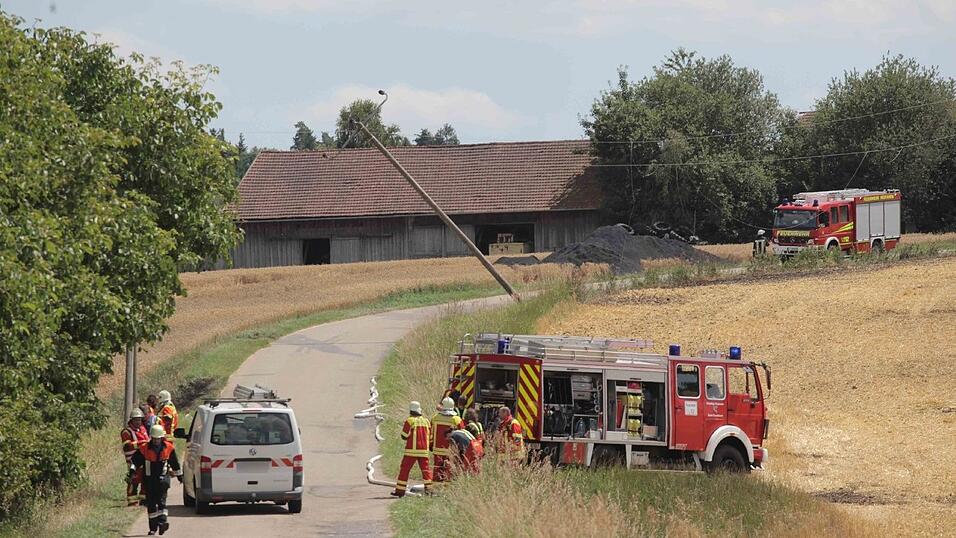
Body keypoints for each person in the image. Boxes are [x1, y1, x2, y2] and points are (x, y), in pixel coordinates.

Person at [130, 424, 182, 536]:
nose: (156, 441)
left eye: (158, 439)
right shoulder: (144, 448)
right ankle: (153, 528)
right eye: (154, 438)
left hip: (163, 480)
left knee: (162, 502)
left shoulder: (169, 448)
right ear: (151, 438)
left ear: (161, 438)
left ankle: (162, 523)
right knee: (152, 504)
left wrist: (179, 476)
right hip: (149, 481)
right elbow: (135, 461)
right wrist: (132, 470)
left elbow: (175, 463)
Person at [392, 401, 432, 498]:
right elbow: (430, 436)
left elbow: (404, 436)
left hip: (411, 452)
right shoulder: (426, 421)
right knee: (426, 471)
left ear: (411, 411)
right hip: (424, 451)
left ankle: (400, 491)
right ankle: (429, 490)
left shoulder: (410, 421)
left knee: (405, 470)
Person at [430, 396, 464, 482]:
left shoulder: (435, 418)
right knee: (448, 471)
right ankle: (446, 486)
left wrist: (430, 444)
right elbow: (462, 434)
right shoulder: (457, 419)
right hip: (450, 450)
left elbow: (430, 433)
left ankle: (435, 486)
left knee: (437, 471)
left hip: (437, 449)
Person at [121, 408, 150, 506]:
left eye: (139, 419)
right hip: (133, 460)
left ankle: (143, 500)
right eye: (136, 420)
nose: (138, 422)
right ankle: (132, 501)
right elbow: (127, 446)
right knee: (134, 480)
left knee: (145, 478)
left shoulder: (143, 429)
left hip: (145, 458)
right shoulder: (126, 432)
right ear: (132, 420)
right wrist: (142, 444)